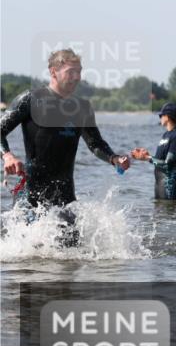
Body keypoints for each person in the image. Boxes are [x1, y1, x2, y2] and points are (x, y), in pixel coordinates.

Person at [0, 49, 131, 245]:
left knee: (70, 254)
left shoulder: (82, 107)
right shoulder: (31, 99)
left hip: (65, 195)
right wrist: (7, 156)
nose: (77, 77)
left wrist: (114, 158)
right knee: (25, 258)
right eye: (71, 72)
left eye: (79, 72)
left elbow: (95, 143)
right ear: (54, 72)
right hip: (31, 194)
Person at [131, 103, 176, 199]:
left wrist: (146, 158)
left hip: (169, 180)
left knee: (166, 210)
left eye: (161, 115)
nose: (160, 117)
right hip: (160, 179)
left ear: (167, 117)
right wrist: (146, 155)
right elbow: (160, 159)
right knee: (159, 209)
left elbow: (167, 164)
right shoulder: (166, 135)